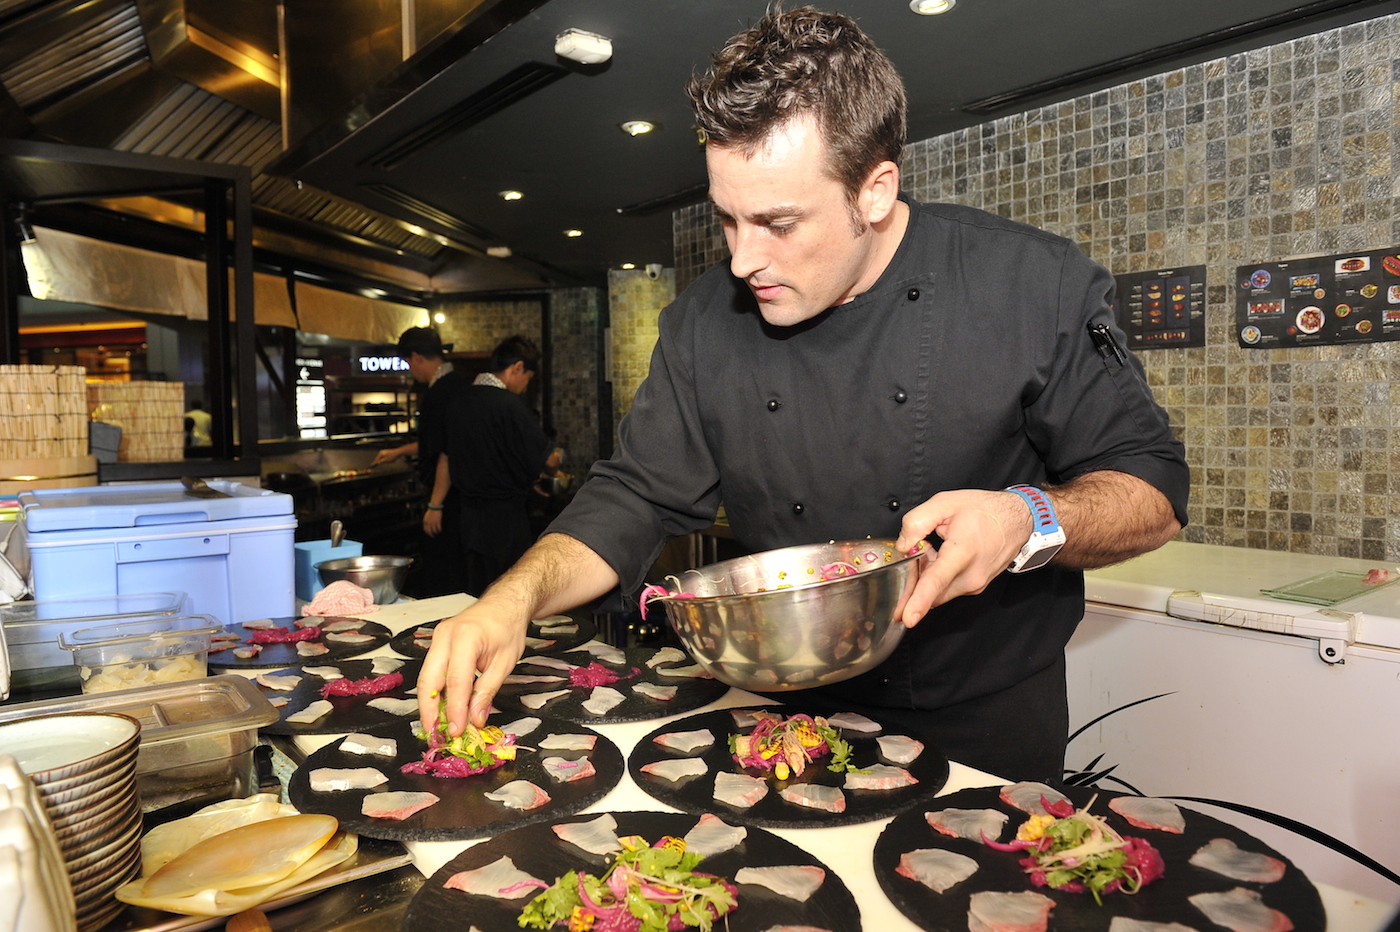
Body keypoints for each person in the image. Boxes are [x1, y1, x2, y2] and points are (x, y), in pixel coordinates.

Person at [419, 6, 1189, 782]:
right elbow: (633, 497)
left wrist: (1028, 517)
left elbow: (1151, 491)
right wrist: (512, 599)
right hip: (781, 716)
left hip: (983, 730)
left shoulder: (1029, 284)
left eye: (778, 223)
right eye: (728, 219)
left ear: (875, 190)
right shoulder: (702, 323)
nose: (743, 259)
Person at [442, 335, 561, 596]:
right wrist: (555, 465)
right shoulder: (510, 404)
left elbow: (462, 455)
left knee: (477, 593)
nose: (526, 387)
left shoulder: (458, 401)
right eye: (528, 378)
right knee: (511, 593)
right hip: (505, 521)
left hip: (468, 520)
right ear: (517, 368)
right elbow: (549, 459)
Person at [374, 326, 468, 597]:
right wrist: (398, 452)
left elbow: (445, 452)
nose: (410, 370)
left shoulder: (439, 394)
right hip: (459, 496)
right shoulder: (460, 385)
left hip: (447, 499)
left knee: (443, 573)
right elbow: (435, 442)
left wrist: (435, 505)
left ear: (415, 357)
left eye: (407, 363)